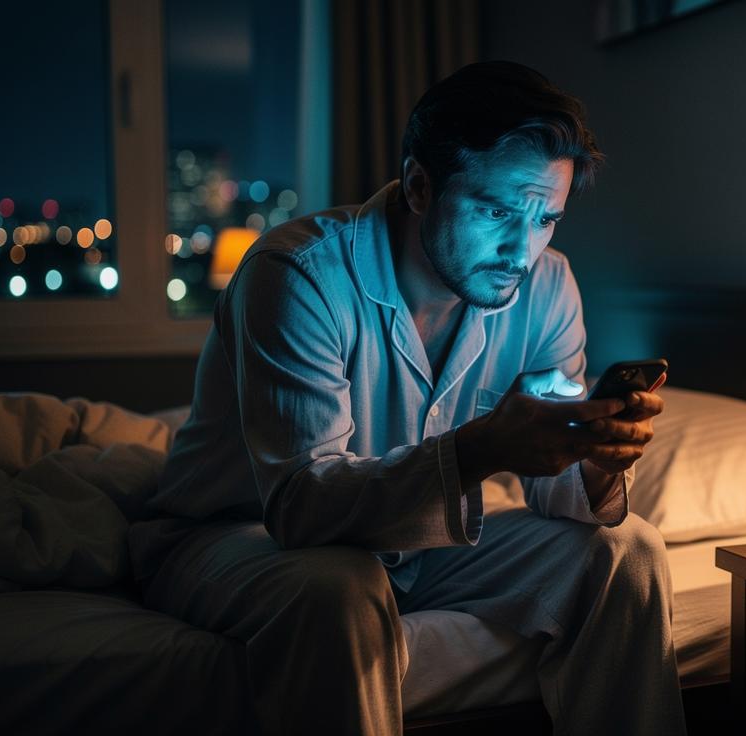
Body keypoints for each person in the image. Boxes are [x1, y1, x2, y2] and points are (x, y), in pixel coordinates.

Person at [130, 60, 688, 736]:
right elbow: (302, 507)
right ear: (420, 185)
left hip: (419, 551)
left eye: (546, 218)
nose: (521, 247)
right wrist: (482, 449)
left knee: (627, 551)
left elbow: (561, 499)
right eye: (495, 211)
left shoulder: (545, 286)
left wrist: (594, 455)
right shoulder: (298, 274)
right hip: (230, 536)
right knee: (340, 585)